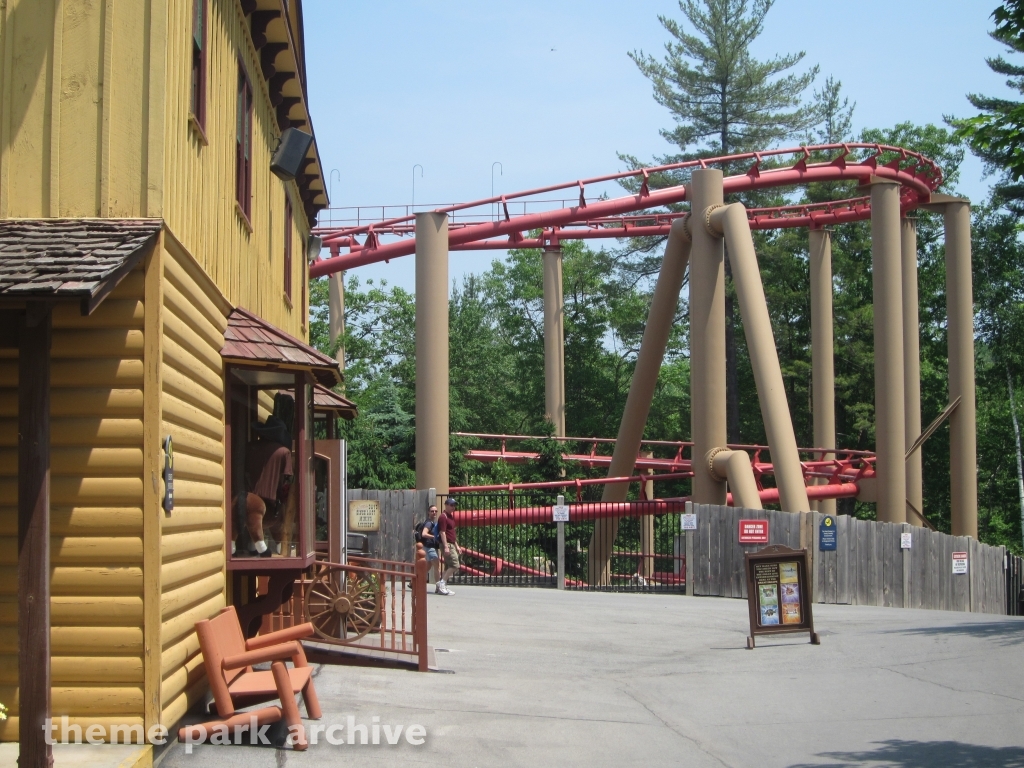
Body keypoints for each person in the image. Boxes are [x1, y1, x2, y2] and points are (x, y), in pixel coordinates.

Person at [437, 496, 461, 595]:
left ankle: (443, 586)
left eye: (454, 505)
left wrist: (457, 545)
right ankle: (441, 583)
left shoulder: (450, 516)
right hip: (447, 544)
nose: (453, 507)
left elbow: (452, 533)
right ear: (446, 505)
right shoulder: (443, 517)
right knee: (455, 565)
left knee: (448, 566)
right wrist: (446, 546)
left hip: (451, 543)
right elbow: (442, 532)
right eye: (451, 505)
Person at [417, 506, 441, 584]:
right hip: (430, 547)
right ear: (428, 512)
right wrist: (434, 536)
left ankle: (414, 581)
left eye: (435, 511)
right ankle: (439, 587)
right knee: (437, 567)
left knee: (428, 566)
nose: (434, 513)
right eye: (432, 511)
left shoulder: (432, 522)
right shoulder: (429, 523)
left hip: (430, 547)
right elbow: (424, 534)